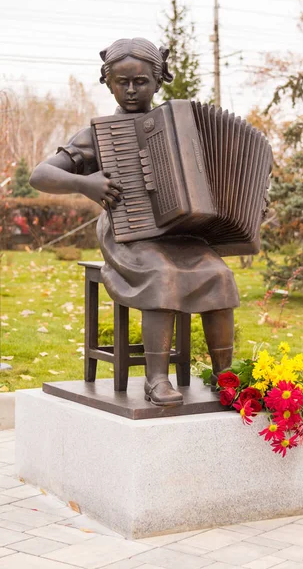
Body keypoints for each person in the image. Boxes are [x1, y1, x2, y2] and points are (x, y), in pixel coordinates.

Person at [30, 37, 239, 407]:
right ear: (107, 82)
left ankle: (226, 376)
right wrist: (84, 183)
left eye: (140, 81)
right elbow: (40, 175)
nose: (130, 90)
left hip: (183, 233)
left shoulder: (185, 127)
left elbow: (227, 175)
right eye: (121, 82)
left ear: (158, 82)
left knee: (219, 275)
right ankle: (156, 380)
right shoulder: (98, 135)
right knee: (162, 272)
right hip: (128, 234)